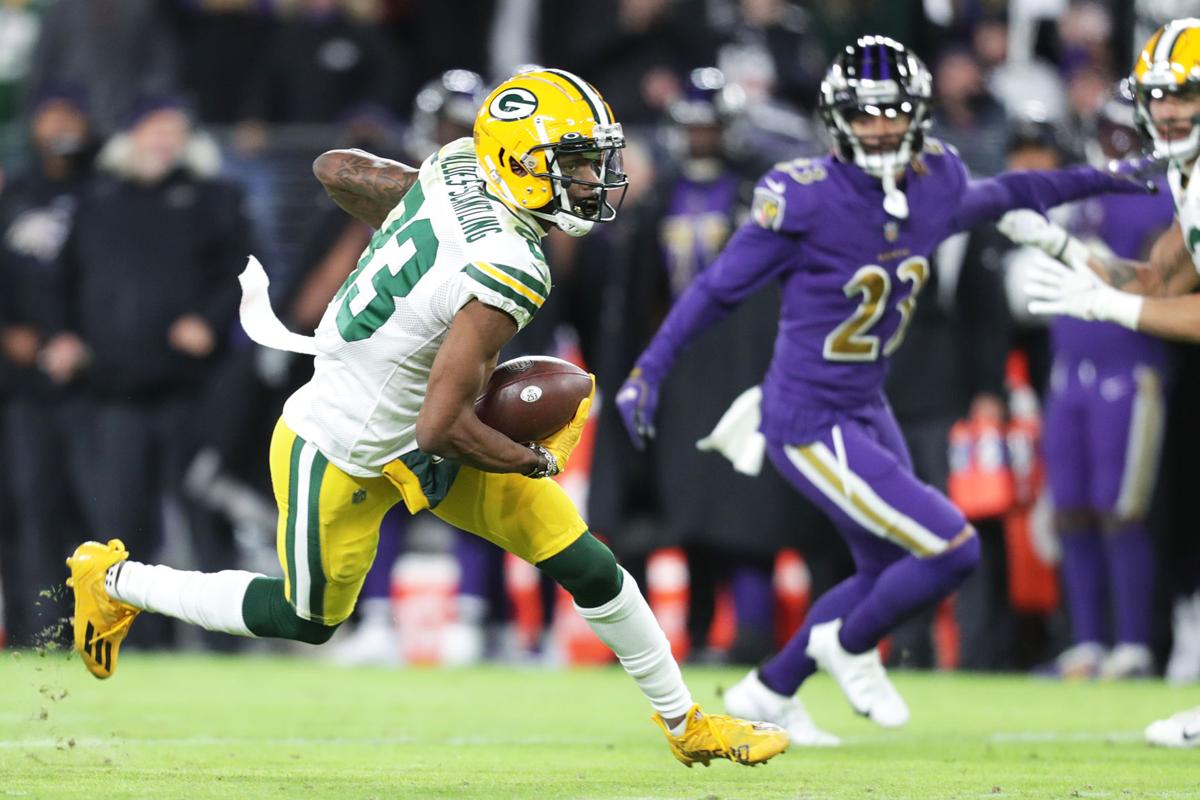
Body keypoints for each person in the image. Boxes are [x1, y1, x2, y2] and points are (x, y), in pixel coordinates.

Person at [64, 68, 788, 767]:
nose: (593, 181)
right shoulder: (510, 264)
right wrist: (532, 460)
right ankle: (115, 581)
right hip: (345, 442)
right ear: (522, 164)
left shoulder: (460, 164)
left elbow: (333, 166)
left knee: (588, 562)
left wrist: (424, 213)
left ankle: (686, 722)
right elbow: (441, 429)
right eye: (575, 164)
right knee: (306, 618)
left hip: (419, 424)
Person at [616, 36, 1146, 746]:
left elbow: (1018, 190)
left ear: (919, 114)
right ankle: (849, 644)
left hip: (867, 405)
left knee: (882, 567)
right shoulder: (803, 196)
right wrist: (650, 366)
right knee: (951, 548)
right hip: (807, 416)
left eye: (893, 112)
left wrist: (1120, 175)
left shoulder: (935, 183)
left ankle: (768, 688)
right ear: (837, 119)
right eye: (864, 115)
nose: (880, 127)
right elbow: (716, 288)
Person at [995, 18, 1200, 748]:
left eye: (1186, 95)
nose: (1169, 111)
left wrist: (1116, 307)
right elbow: (1159, 277)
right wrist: (1061, 246)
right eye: (1159, 97)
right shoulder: (1185, 175)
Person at [0, 87, 95, 647]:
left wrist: (85, 342)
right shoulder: (14, 196)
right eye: (51, 115)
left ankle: (98, 629)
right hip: (21, 385)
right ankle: (39, 634)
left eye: (71, 115)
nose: (61, 126)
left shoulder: (105, 191)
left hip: (94, 380)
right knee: (28, 507)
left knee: (95, 509)